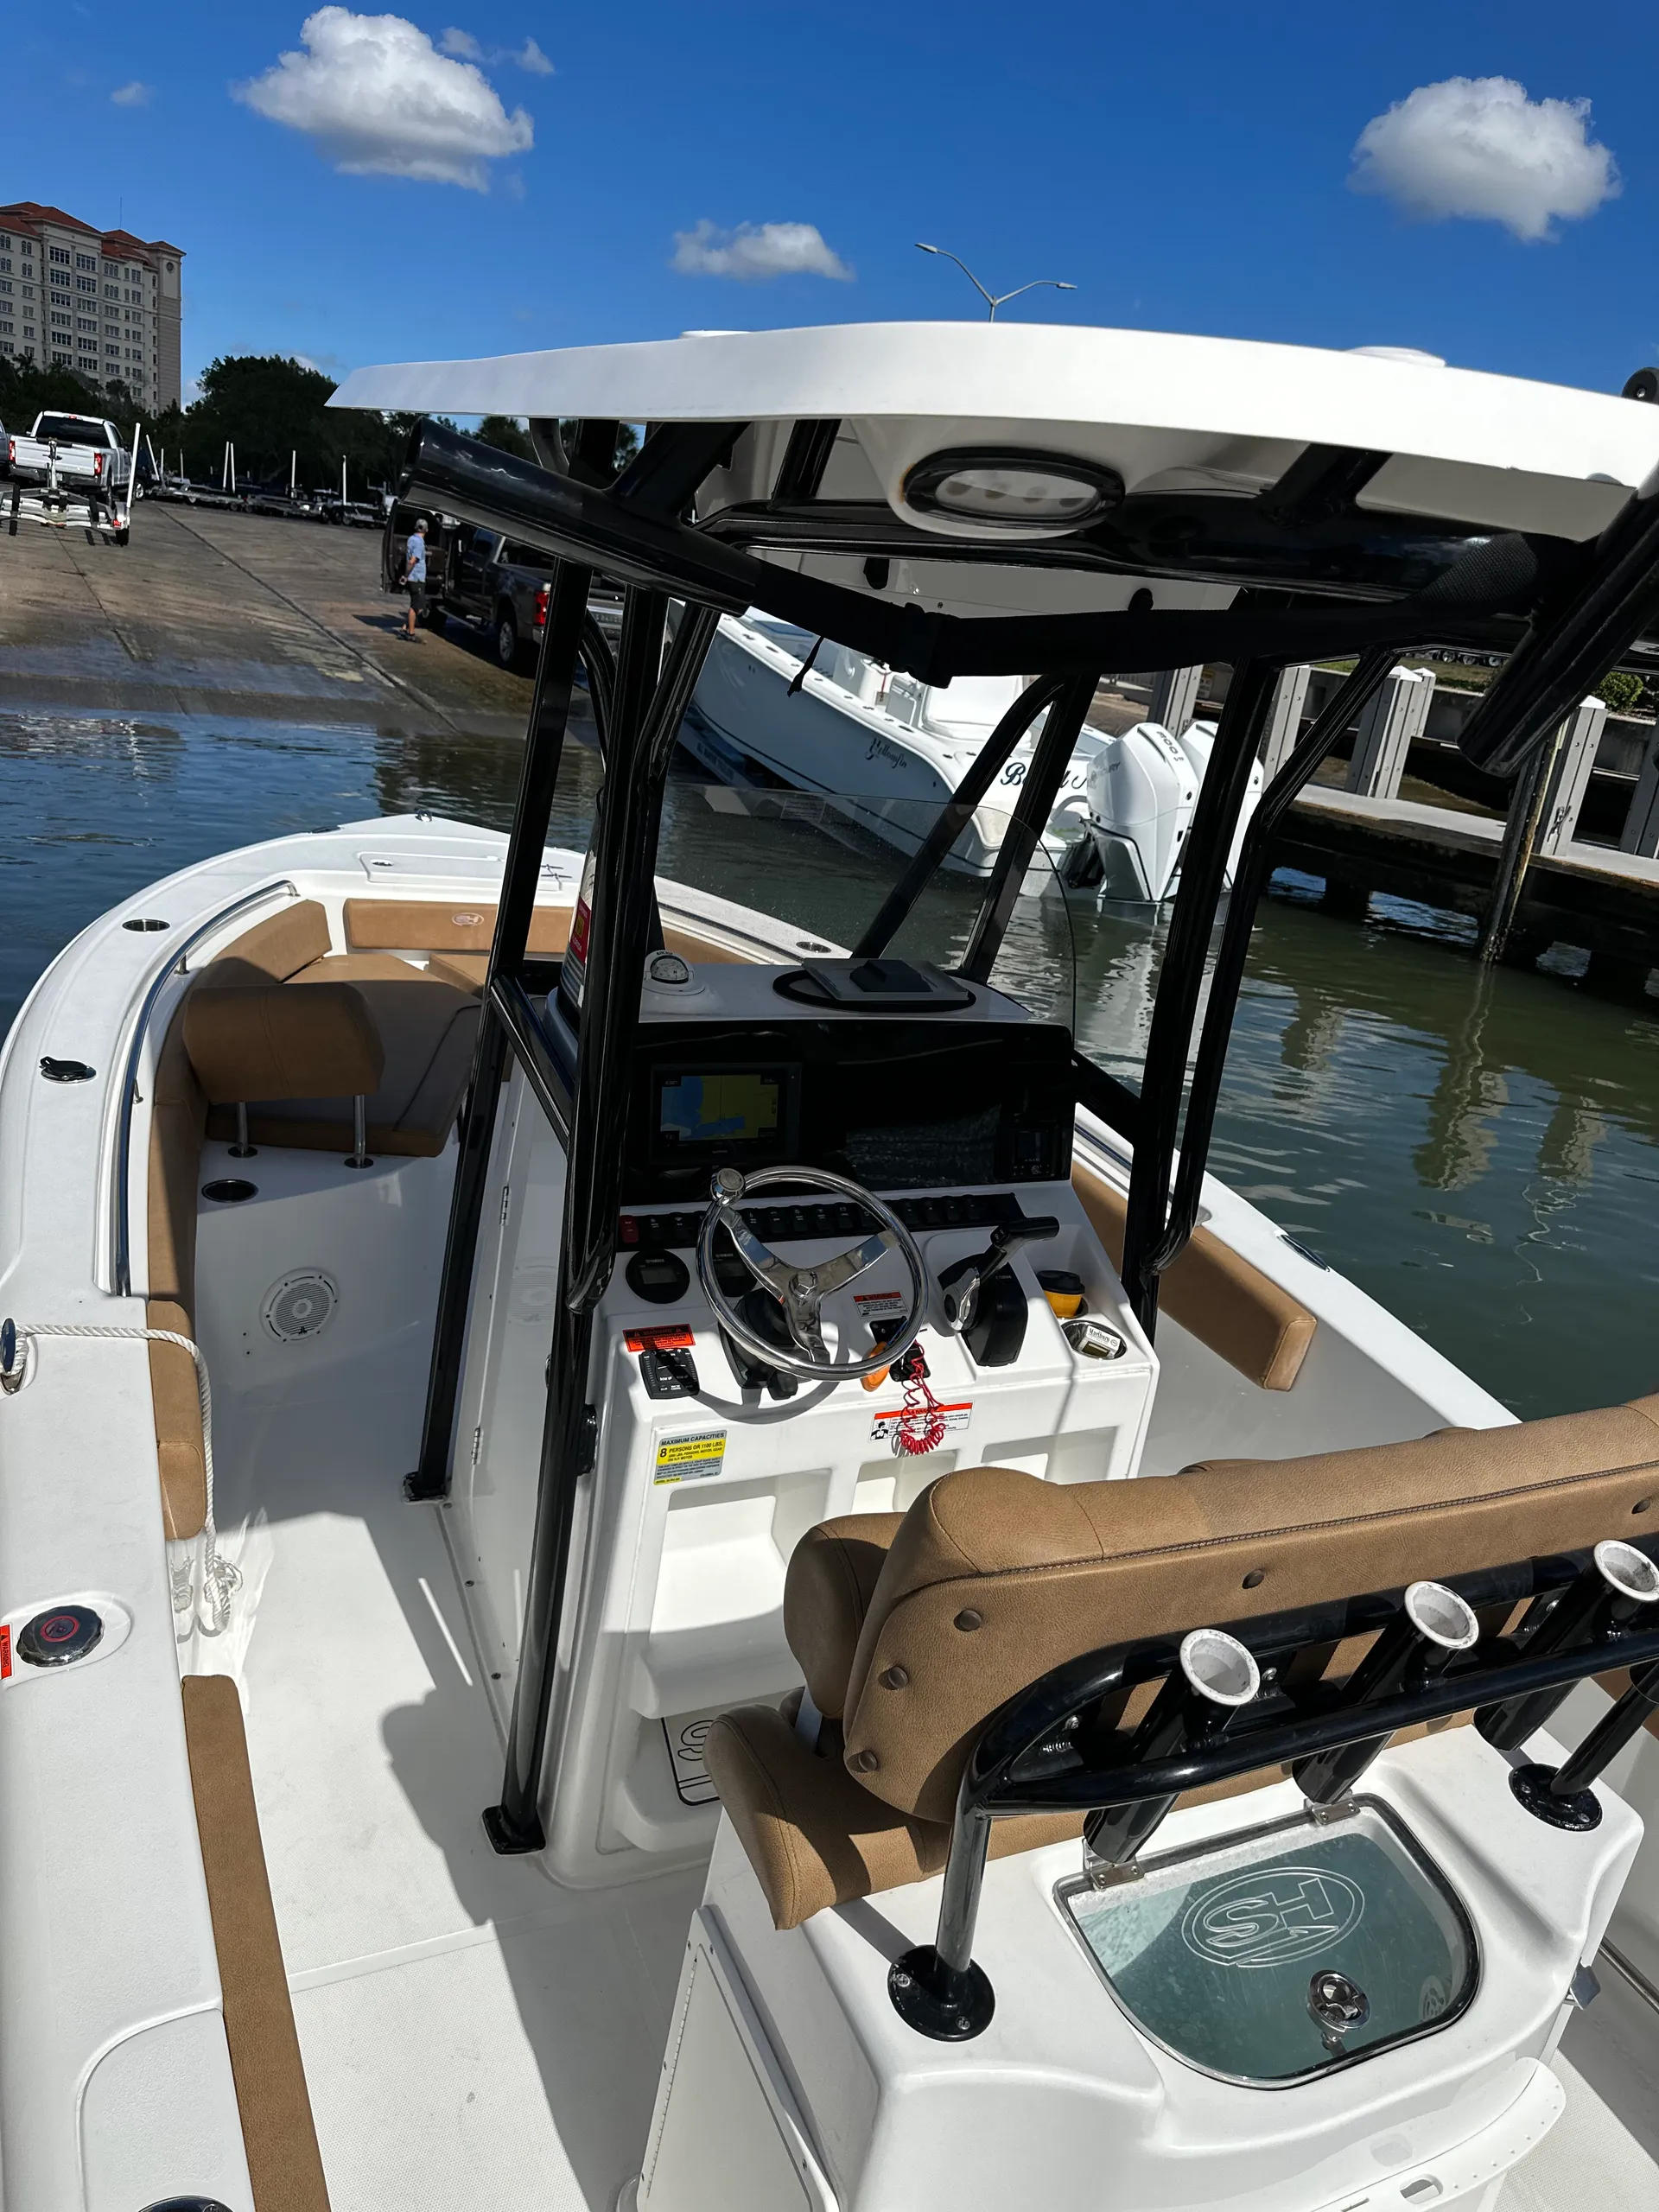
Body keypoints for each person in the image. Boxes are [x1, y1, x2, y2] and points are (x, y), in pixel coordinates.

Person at [402, 516, 429, 638]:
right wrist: (406, 576)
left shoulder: (412, 539)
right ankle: (411, 633)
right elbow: (412, 561)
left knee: (421, 605)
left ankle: (406, 626)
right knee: (416, 606)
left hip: (416, 577)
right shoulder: (418, 543)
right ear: (426, 530)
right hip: (416, 578)